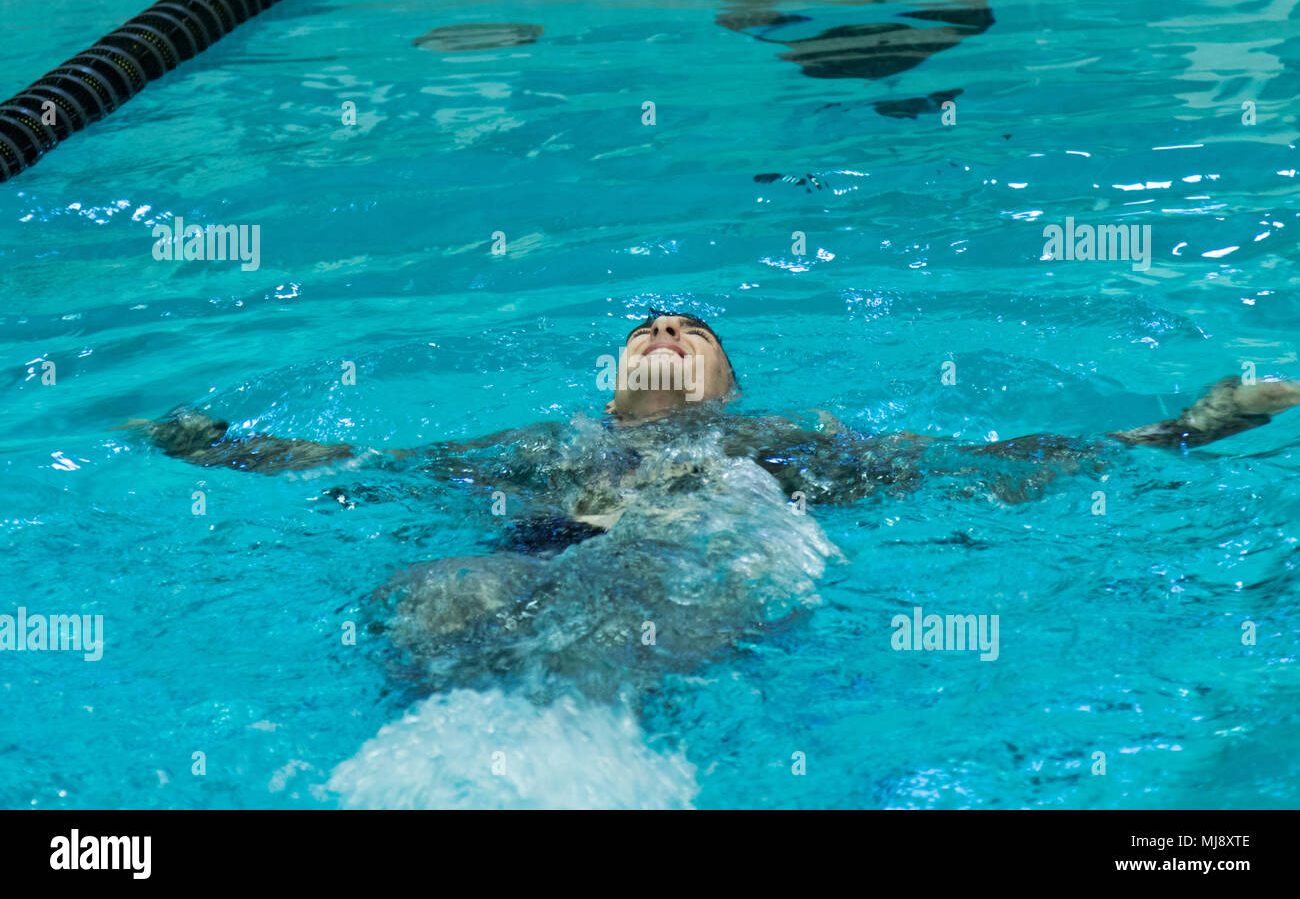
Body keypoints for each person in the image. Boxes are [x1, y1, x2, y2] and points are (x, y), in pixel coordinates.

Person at [128, 308, 1300, 701]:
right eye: (647, 330)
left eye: (690, 333)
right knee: (434, 594)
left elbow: (989, 467)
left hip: (703, 547)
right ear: (613, 381)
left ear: (729, 385)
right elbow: (365, 464)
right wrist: (212, 446)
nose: (664, 331)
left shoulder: (780, 439)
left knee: (608, 608)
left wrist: (1186, 429)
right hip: (544, 541)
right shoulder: (539, 443)